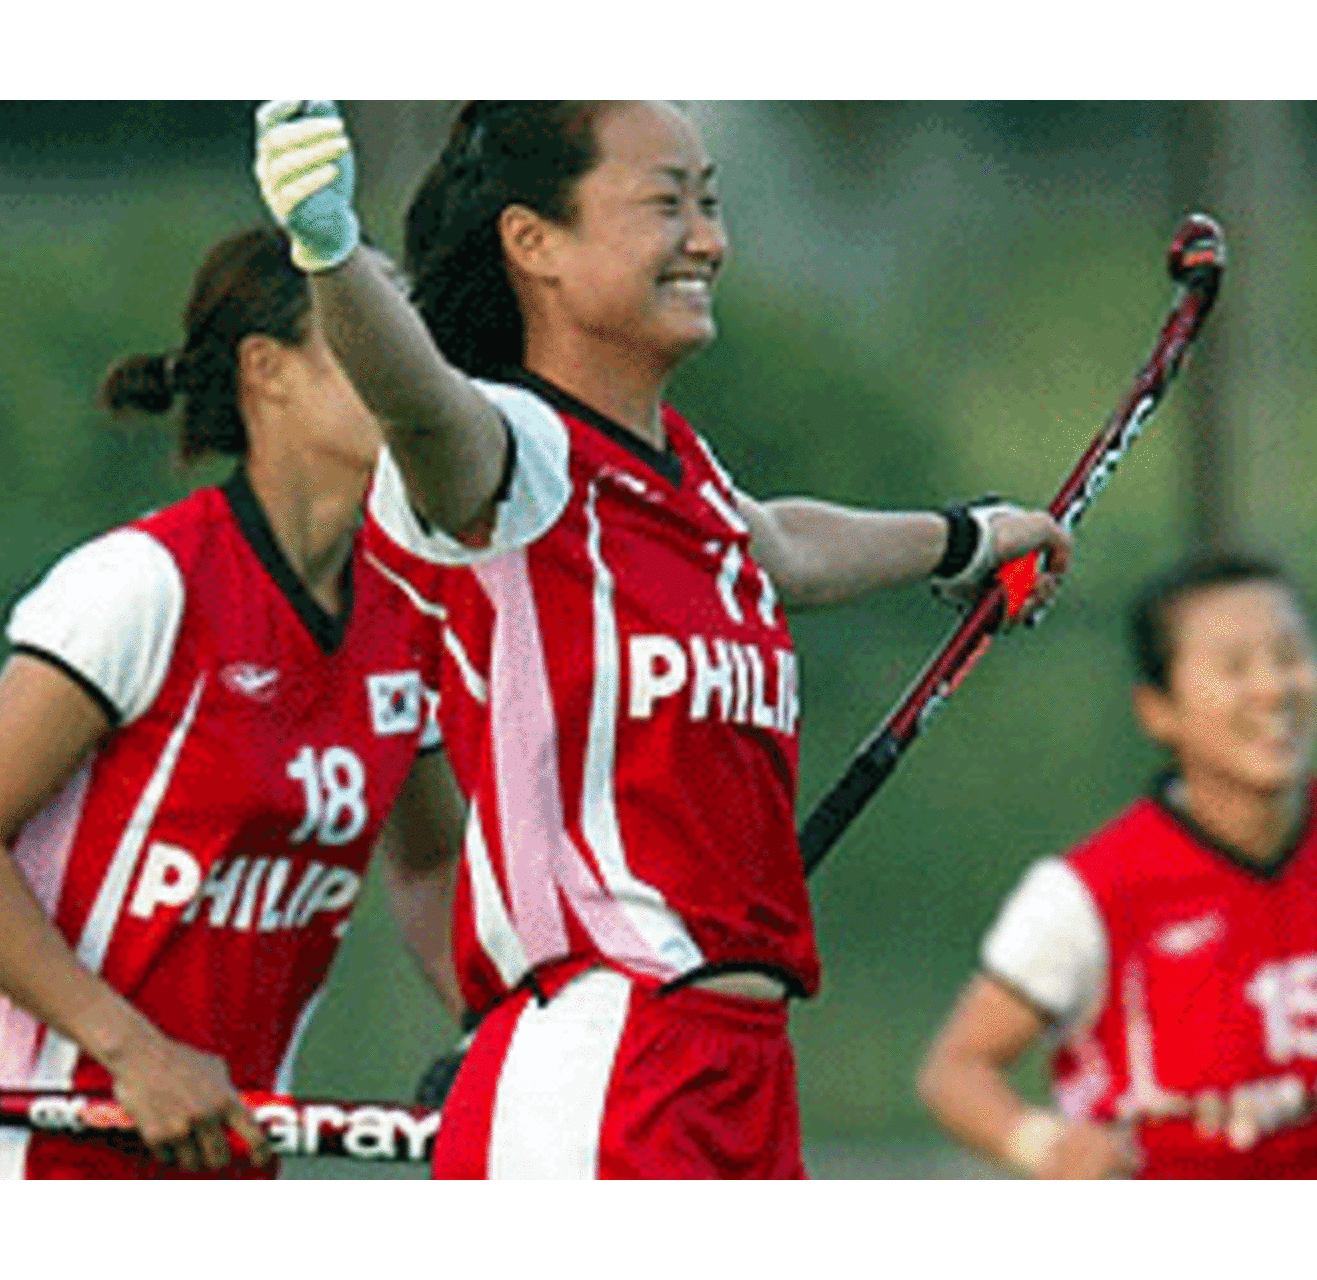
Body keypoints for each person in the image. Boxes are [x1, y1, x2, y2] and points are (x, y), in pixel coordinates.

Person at [253, 99, 1074, 1179]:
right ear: (533, 242)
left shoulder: (687, 478)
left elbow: (784, 546)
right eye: (667, 204)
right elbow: (418, 405)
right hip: (605, 1068)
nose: (707, 241)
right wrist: (328, 246)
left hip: (740, 1070)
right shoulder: (512, 457)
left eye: (712, 203)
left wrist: (966, 538)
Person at [0, 226, 463, 1180]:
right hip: (43, 1157)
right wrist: (134, 1051)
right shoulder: (143, 584)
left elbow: (431, 862)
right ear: (266, 369)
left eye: (413, 332)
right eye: (368, 331)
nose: (412, 363)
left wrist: (497, 1033)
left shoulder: (411, 606)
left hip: (228, 1154)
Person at [917, 550, 1317, 1179]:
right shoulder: (1088, 892)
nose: (1274, 688)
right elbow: (953, 1070)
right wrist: (1046, 1144)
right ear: (1157, 709)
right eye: (1234, 666)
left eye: (1289, 656)